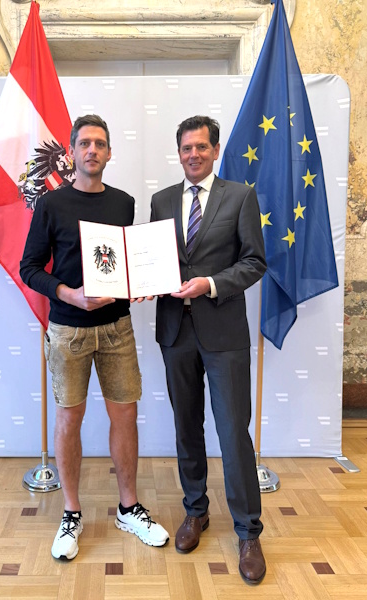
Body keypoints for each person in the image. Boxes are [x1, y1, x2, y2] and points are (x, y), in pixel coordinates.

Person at [20, 114, 169, 561]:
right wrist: (68, 293)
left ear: (109, 152)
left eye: (100, 143)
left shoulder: (124, 203)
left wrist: (144, 283)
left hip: (118, 328)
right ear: (71, 152)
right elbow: (29, 268)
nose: (92, 150)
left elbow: (128, 262)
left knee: (125, 415)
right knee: (69, 419)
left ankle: (128, 508)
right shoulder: (50, 204)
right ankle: (71, 512)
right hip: (68, 331)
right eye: (84, 143)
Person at [148, 115, 267, 584]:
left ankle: (248, 532)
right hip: (175, 332)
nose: (193, 154)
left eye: (201, 147)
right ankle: (195, 510)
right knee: (186, 427)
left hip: (224, 335)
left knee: (233, 433)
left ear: (215, 151)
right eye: (186, 148)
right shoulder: (161, 201)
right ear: (178, 152)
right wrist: (140, 282)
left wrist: (211, 284)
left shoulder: (240, 196)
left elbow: (254, 261)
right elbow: (153, 261)